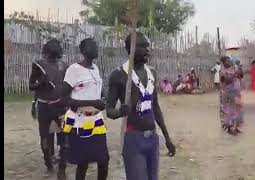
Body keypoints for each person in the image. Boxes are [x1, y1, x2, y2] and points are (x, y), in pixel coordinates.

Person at [106, 32, 176, 180]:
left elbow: (155, 107)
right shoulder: (118, 75)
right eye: (143, 46)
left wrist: (167, 138)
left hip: (152, 139)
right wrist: (120, 112)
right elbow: (109, 111)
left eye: (148, 46)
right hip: (133, 139)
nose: (148, 50)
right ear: (130, 49)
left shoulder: (152, 73)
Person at [58, 38, 109, 180]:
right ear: (84, 50)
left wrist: (103, 99)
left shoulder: (96, 68)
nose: (96, 48)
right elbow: (64, 99)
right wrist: (93, 102)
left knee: (104, 160)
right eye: (93, 46)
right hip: (80, 121)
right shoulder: (74, 70)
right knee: (83, 162)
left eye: (96, 45)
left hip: (96, 120)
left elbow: (97, 91)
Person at [28, 39, 68, 178]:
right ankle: (49, 163)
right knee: (45, 137)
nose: (51, 57)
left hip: (60, 107)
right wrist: (40, 84)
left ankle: (62, 166)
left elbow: (67, 86)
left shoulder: (64, 66)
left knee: (64, 137)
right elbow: (31, 86)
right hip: (44, 106)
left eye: (53, 55)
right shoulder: (38, 65)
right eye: (50, 55)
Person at [219, 56, 243, 135]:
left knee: (236, 109)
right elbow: (226, 80)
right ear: (224, 62)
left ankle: (234, 127)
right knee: (228, 110)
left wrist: (238, 69)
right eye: (228, 60)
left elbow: (241, 75)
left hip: (235, 92)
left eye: (230, 60)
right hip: (226, 93)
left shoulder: (233, 68)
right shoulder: (222, 70)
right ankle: (228, 127)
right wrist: (234, 74)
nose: (230, 61)